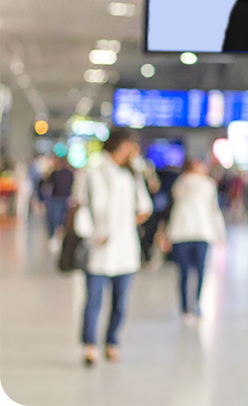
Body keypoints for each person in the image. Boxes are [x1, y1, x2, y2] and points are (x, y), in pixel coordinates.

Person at [73, 128, 153, 366]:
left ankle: (112, 342)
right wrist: (92, 233)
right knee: (94, 300)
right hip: (99, 244)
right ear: (121, 145)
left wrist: (125, 222)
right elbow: (81, 204)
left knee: (120, 301)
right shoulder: (93, 171)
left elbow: (145, 207)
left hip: (125, 246)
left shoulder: (132, 174)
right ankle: (89, 344)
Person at [164, 158, 226, 323]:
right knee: (193, 271)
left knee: (191, 272)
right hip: (190, 232)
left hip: (192, 233)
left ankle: (190, 305)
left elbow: (213, 210)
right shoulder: (184, 184)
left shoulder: (198, 184)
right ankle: (191, 305)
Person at [44, 157, 75, 243]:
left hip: (63, 198)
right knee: (56, 218)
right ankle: (54, 236)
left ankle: (58, 236)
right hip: (58, 198)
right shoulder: (58, 173)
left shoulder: (68, 173)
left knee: (60, 218)